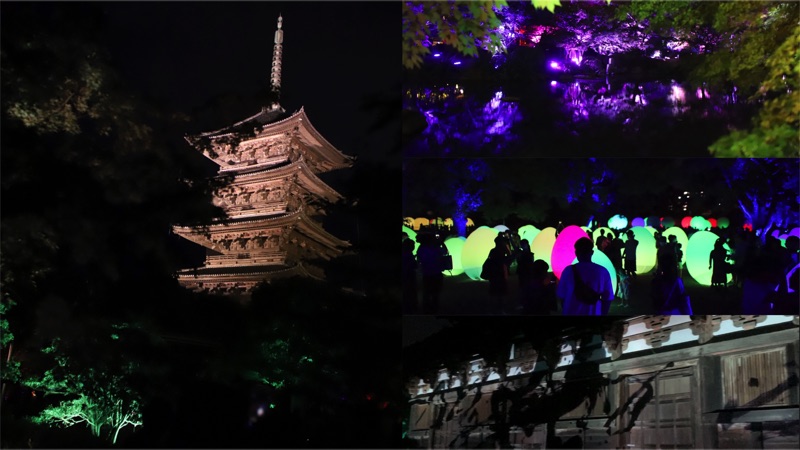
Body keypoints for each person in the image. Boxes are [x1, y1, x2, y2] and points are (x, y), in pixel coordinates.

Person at [557, 238, 614, 315]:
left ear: (576, 253)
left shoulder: (568, 271)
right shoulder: (602, 271)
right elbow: (607, 298)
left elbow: (562, 296)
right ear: (592, 252)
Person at [417, 233, 448, 314]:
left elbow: (419, 260)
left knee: (427, 292)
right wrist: (442, 243)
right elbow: (445, 252)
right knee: (435, 292)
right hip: (436, 273)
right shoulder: (436, 248)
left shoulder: (420, 249)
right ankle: (435, 308)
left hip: (427, 274)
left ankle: (426, 308)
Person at [402, 237, 418, 314]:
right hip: (408, 275)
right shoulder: (407, 254)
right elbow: (412, 265)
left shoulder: (407, 253)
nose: (414, 247)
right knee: (409, 291)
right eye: (412, 245)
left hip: (407, 275)